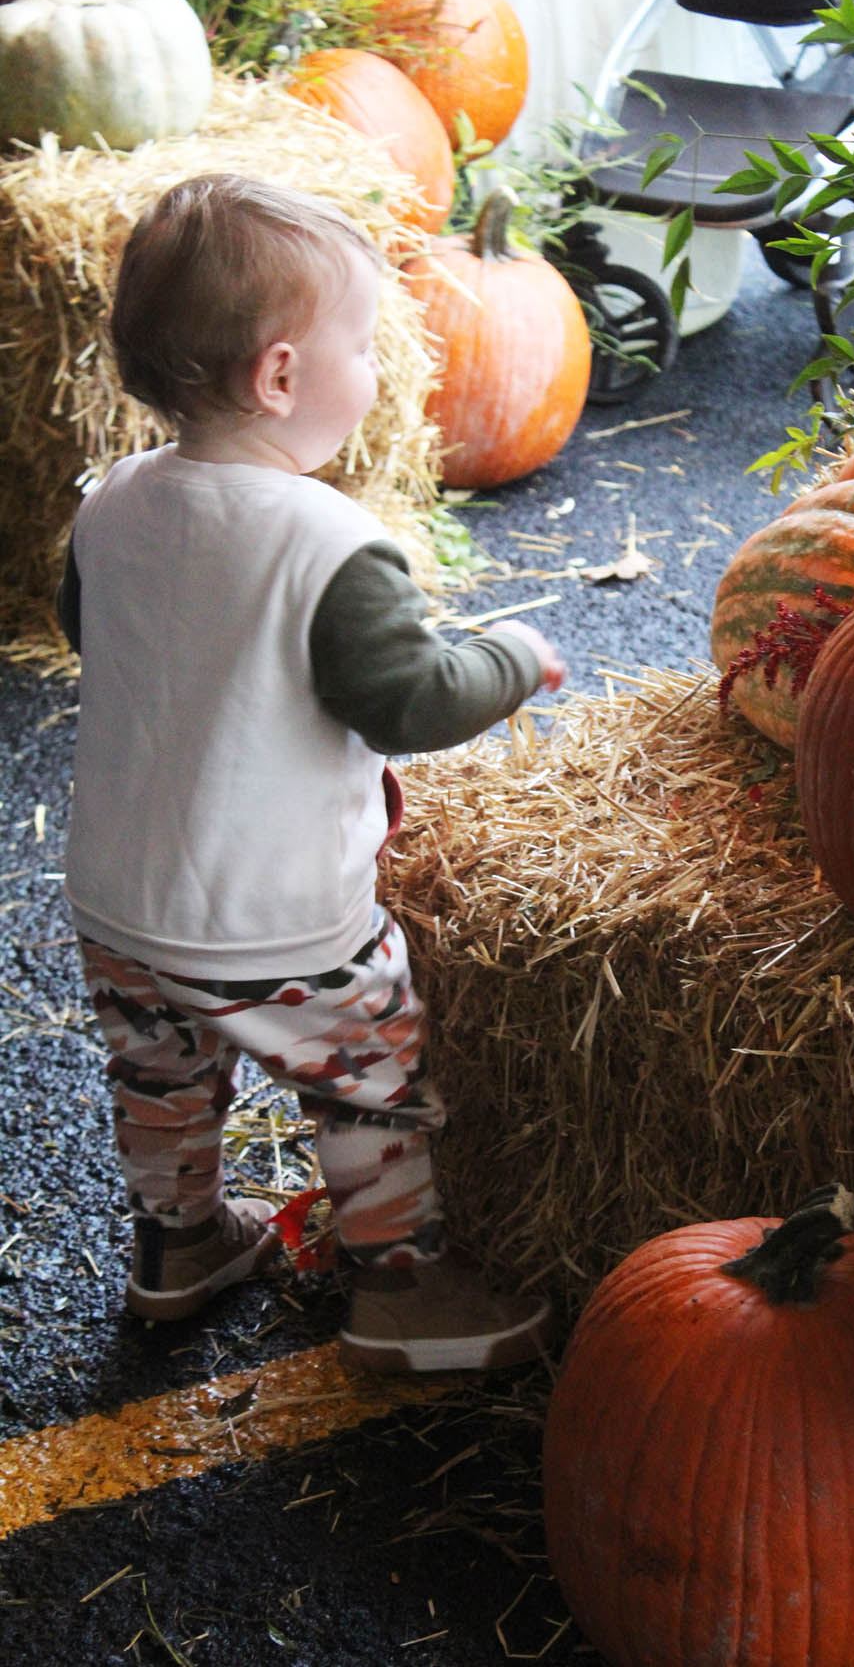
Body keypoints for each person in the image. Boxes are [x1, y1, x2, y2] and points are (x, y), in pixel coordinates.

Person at [56, 172, 567, 1374]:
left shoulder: (112, 504)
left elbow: (97, 633)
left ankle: (178, 1247)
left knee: (162, 1075)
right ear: (281, 378)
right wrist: (511, 657)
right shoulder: (328, 545)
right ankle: (401, 1291)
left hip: (119, 905)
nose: (378, 374)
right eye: (364, 347)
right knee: (369, 1083)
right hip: (276, 921)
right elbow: (413, 698)